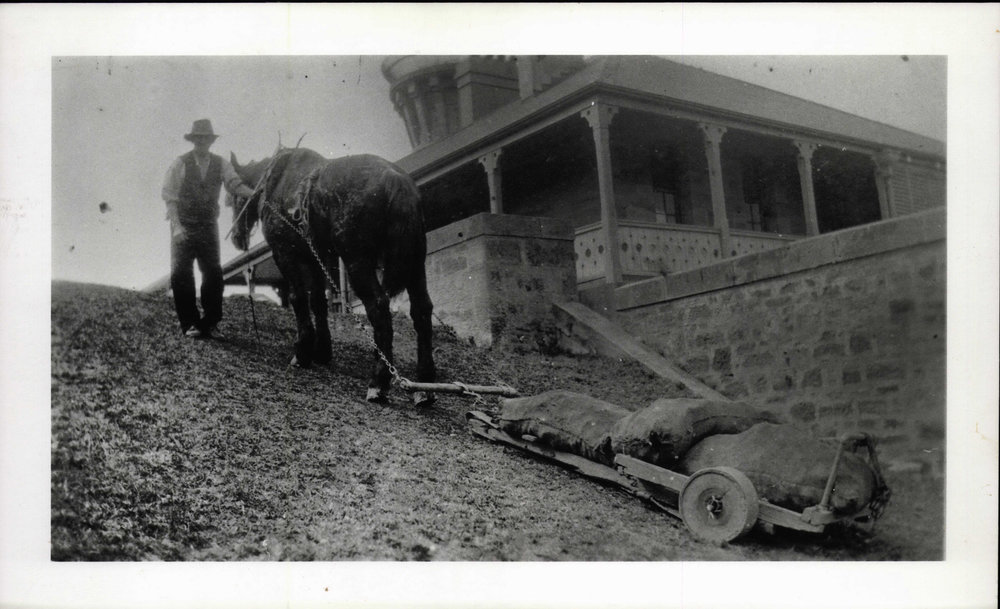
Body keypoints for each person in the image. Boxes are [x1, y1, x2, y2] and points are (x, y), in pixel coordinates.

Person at [161, 119, 255, 339]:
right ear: (193, 140)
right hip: (183, 226)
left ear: (211, 141)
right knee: (181, 274)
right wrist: (177, 227)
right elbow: (170, 197)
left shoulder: (221, 164)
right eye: (198, 138)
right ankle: (190, 323)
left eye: (206, 139)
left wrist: (253, 194)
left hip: (208, 226)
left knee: (213, 273)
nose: (202, 142)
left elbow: (234, 185)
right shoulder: (180, 163)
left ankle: (210, 323)